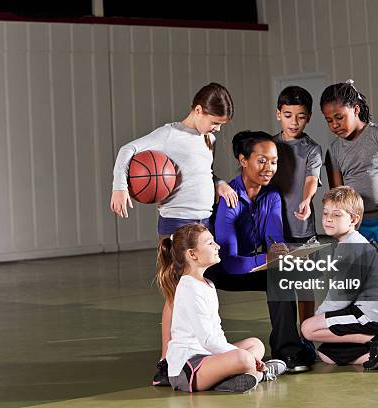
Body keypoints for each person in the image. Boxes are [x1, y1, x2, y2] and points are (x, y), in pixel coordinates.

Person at [109, 83, 239, 386]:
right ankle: (166, 362)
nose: (217, 129)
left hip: (202, 221)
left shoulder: (207, 138)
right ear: (197, 110)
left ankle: (197, 355)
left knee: (198, 293)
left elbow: (201, 171)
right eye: (215, 122)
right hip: (176, 224)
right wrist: (120, 185)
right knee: (175, 296)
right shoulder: (170, 135)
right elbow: (127, 150)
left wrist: (218, 183)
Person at [205, 131, 315, 373]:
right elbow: (230, 262)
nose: (269, 168)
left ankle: (287, 352)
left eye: (274, 161)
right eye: (262, 160)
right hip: (223, 270)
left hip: (252, 265)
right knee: (276, 267)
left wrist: (286, 254)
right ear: (243, 160)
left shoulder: (272, 196)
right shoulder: (229, 198)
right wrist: (269, 258)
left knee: (281, 275)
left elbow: (275, 242)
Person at [321, 79, 378, 336]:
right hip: (356, 225)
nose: (335, 125)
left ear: (356, 109)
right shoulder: (335, 149)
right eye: (329, 120)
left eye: (339, 117)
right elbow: (339, 195)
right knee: (354, 276)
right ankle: (360, 324)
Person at [159, 223, 286, 393]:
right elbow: (207, 341)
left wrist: (232, 355)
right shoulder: (189, 288)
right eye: (210, 243)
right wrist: (243, 357)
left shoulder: (208, 284)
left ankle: (241, 375)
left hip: (209, 357)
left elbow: (216, 335)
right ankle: (259, 374)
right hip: (188, 368)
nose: (217, 246)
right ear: (192, 254)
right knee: (244, 358)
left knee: (255, 344)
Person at [300, 187, 378, 370]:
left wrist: (319, 316)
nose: (328, 218)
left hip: (375, 317)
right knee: (327, 354)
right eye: (326, 213)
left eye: (337, 215)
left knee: (308, 329)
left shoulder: (353, 247)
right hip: (371, 315)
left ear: (353, 219)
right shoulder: (349, 243)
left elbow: (341, 296)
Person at [272, 86, 323, 338]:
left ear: (308, 117)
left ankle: (306, 337)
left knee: (304, 288)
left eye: (301, 116)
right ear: (278, 113)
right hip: (275, 232)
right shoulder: (269, 146)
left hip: (302, 232)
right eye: (288, 114)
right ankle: (287, 338)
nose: (294, 121)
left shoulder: (312, 149)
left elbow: (311, 178)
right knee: (281, 289)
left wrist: (306, 199)